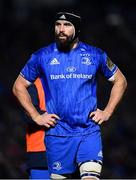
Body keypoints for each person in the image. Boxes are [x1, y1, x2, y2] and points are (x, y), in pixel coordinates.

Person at [12, 12, 127, 179]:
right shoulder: (41, 56)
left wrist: (107, 111)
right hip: (57, 135)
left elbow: (120, 81)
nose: (61, 29)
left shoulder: (96, 55)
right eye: (58, 24)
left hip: (88, 131)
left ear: (77, 29)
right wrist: (36, 116)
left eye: (67, 25)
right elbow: (18, 86)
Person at [24, 78, 50, 179]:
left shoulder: (70, 82)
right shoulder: (34, 84)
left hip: (67, 148)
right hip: (40, 152)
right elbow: (28, 116)